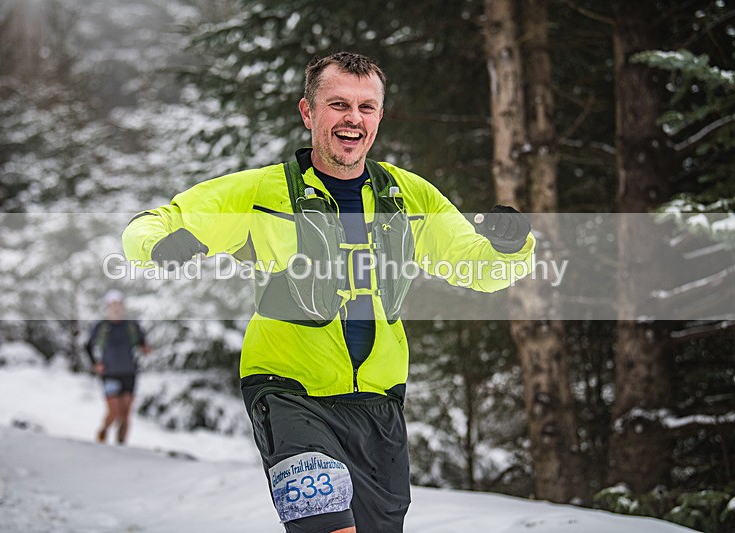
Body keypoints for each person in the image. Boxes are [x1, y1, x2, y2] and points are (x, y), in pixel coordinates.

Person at [123, 52, 535, 532]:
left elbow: (477, 266)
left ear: (380, 116)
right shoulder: (261, 193)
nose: (352, 119)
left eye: (366, 107)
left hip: (379, 402)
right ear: (308, 112)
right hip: (288, 393)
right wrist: (160, 246)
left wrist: (511, 245)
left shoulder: (407, 197)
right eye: (337, 104)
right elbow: (151, 225)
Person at [86, 289, 151, 445]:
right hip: (109, 373)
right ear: (108, 306)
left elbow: (142, 343)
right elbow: (88, 346)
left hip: (129, 372)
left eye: (118, 304)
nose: (116, 307)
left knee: (125, 414)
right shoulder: (101, 327)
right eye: (112, 304)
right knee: (114, 412)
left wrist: (145, 349)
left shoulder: (132, 326)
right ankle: (104, 431)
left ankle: (121, 446)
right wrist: (96, 363)